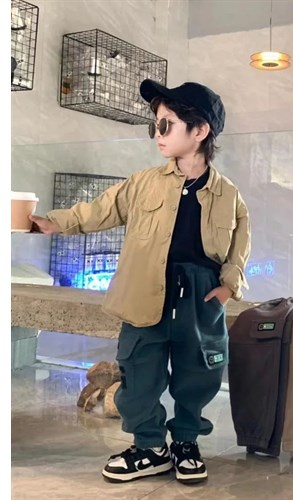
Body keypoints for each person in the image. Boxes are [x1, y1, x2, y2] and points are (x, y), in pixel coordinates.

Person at [29, 79, 251, 485]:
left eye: (166, 125)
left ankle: (186, 443)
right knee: (139, 371)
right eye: (155, 126)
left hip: (199, 297)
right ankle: (149, 447)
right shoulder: (143, 182)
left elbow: (240, 244)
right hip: (144, 290)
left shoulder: (228, 194)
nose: (157, 134)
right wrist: (54, 222)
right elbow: (100, 209)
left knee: (197, 373)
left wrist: (228, 286)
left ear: (200, 131)